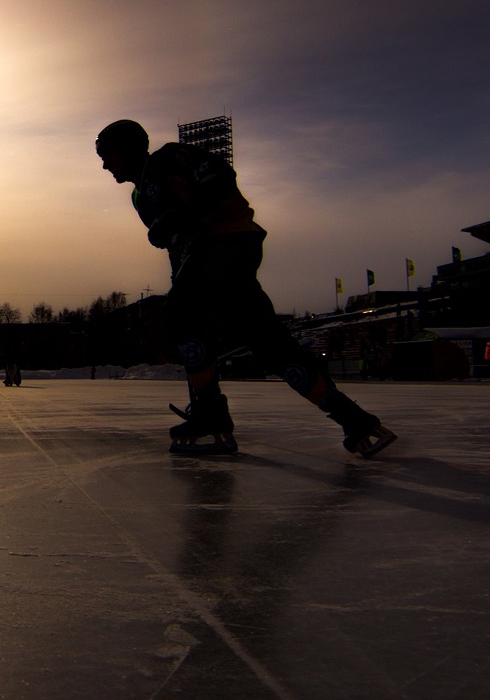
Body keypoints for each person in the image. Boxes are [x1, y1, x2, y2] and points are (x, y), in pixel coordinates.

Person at [93, 119, 396, 457]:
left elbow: (219, 177)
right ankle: (355, 421)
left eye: (108, 154)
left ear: (131, 146)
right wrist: (180, 270)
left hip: (227, 239)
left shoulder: (169, 157)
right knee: (266, 341)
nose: (105, 164)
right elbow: (178, 247)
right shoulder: (140, 197)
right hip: (207, 255)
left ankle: (210, 414)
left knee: (181, 311)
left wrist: (181, 216)